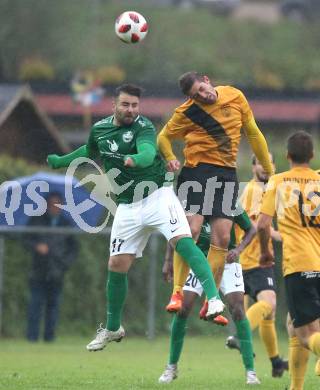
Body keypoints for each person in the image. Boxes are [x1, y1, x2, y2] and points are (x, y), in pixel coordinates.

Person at [47, 83, 225, 352]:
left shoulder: (144, 128)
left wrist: (136, 161)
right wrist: (61, 161)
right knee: (116, 264)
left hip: (157, 196)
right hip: (128, 206)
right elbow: (89, 151)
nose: (131, 110)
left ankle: (213, 298)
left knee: (184, 241)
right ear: (114, 106)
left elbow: (147, 152)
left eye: (134, 105)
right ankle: (113, 327)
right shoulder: (100, 130)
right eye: (126, 105)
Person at [157, 71, 273, 314]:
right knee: (192, 229)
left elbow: (252, 133)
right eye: (194, 95)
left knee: (222, 237)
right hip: (196, 172)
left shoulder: (235, 96)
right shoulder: (187, 112)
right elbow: (163, 138)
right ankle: (177, 292)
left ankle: (211, 300)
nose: (201, 96)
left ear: (207, 80)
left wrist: (270, 169)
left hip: (226, 175)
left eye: (201, 89)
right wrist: (169, 157)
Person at [159, 208, 260, 385]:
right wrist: (168, 261)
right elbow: (175, 232)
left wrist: (238, 249)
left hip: (227, 263)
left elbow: (251, 228)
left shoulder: (228, 199)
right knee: (182, 308)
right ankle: (171, 367)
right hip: (198, 261)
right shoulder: (193, 200)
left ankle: (250, 372)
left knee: (238, 309)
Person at [257, 130, 320, 390]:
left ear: (287, 156)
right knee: (293, 325)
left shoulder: (278, 181)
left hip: (299, 265)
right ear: (312, 156)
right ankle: (296, 387)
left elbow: (262, 224)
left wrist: (265, 251)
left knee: (307, 335)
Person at [226, 154, 288, 378]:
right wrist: (283, 237)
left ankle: (276, 362)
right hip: (255, 259)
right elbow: (258, 225)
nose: (266, 166)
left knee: (268, 315)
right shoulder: (254, 190)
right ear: (253, 167)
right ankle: (241, 338)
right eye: (261, 162)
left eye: (270, 162)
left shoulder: (267, 189)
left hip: (250, 260)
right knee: (269, 303)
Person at [24, 192, 78, 342]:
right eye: (52, 203)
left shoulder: (66, 224)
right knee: (35, 304)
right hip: (38, 271)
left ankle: (49, 337)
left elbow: (73, 249)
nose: (54, 207)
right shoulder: (36, 221)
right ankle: (32, 337)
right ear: (47, 205)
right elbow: (26, 239)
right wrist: (37, 246)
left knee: (53, 306)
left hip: (57, 272)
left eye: (57, 204)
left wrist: (64, 263)